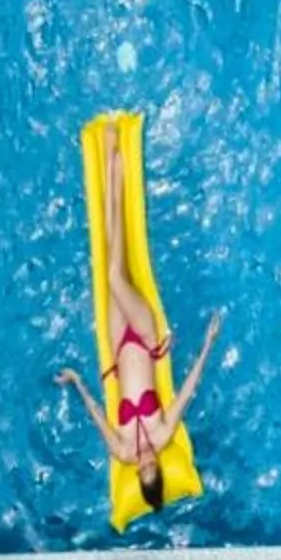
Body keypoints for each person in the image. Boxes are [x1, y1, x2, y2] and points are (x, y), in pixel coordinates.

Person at [56, 131, 224, 514]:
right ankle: (115, 167)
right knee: (115, 276)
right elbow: (188, 388)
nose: (147, 454)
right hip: (147, 338)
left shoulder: (121, 449)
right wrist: (209, 342)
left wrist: (77, 381)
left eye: (143, 464)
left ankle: (112, 175)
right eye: (154, 463)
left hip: (117, 347)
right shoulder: (163, 434)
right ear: (159, 467)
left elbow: (96, 412)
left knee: (108, 271)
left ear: (136, 472)